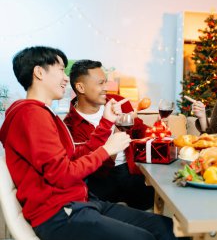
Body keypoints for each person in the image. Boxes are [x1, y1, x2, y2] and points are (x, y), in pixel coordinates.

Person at [0, 46, 176, 240]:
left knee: (166, 227)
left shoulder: (43, 113)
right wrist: (107, 149)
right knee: (146, 237)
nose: (66, 78)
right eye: (60, 69)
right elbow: (63, 174)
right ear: (39, 72)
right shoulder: (31, 115)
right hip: (60, 214)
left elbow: (73, 157)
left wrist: (106, 123)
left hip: (81, 202)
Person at [64, 59, 154, 210]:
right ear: (81, 87)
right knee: (97, 211)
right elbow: (86, 164)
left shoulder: (118, 102)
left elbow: (141, 131)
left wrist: (154, 128)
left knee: (151, 202)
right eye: (101, 83)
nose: (106, 88)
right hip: (99, 178)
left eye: (106, 82)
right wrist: (114, 132)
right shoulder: (70, 125)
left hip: (130, 170)